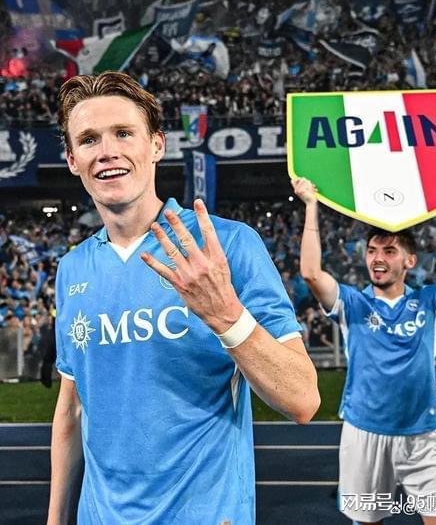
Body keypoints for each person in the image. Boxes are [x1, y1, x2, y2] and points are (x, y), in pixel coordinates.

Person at [47, 72, 320, 525]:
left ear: (157, 145)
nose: (107, 151)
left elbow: (303, 399)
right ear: (73, 160)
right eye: (89, 139)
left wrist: (226, 315)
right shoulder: (72, 268)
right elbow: (72, 409)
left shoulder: (229, 245)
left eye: (123, 133)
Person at [292, 176, 436, 525]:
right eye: (372, 250)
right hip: (364, 434)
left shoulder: (429, 301)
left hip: (422, 436)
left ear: (410, 261)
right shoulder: (352, 303)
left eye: (389, 251)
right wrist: (311, 205)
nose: (378, 258)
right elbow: (311, 273)